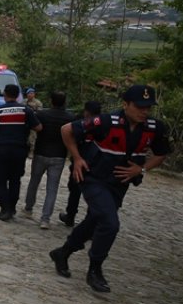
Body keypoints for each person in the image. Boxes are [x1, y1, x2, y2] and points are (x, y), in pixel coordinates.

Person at [48, 85, 171, 292]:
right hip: (93, 178)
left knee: (94, 220)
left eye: (148, 107)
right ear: (125, 105)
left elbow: (161, 153)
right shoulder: (105, 121)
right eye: (139, 107)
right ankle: (95, 268)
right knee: (110, 224)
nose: (144, 111)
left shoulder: (154, 128)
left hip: (118, 184)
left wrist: (141, 169)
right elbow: (67, 130)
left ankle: (63, 252)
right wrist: (76, 158)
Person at [22, 91, 76, 229]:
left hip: (41, 152)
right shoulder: (70, 118)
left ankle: (28, 208)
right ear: (64, 102)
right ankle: (45, 218)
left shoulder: (42, 115)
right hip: (59, 155)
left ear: (51, 101)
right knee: (52, 188)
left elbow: (34, 127)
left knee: (34, 182)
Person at [0, 83, 41, 221]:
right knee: (15, 180)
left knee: (0, 179)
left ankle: (4, 208)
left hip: (2, 149)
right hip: (19, 150)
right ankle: (11, 207)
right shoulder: (26, 110)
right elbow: (38, 127)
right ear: (18, 96)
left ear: (5, 94)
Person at [59, 100, 101, 227]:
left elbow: (67, 132)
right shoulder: (105, 124)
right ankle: (90, 223)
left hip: (80, 160)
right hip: (97, 163)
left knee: (75, 191)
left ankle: (70, 216)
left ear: (86, 111)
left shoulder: (80, 123)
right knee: (95, 194)